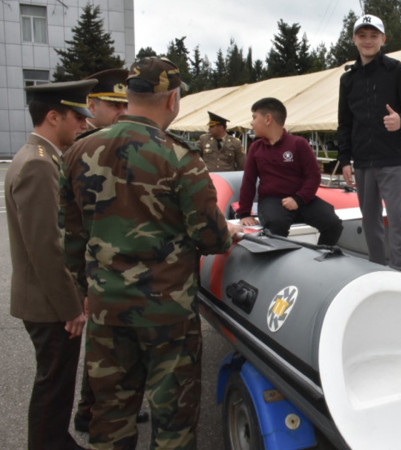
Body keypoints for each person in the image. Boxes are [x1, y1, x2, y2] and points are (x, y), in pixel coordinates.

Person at [59, 56, 241, 449]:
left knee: (111, 417)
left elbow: (71, 239)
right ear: (173, 99)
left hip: (107, 310)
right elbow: (210, 238)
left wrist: (85, 289)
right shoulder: (180, 158)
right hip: (168, 315)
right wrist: (227, 232)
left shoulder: (78, 152)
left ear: (128, 94)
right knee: (173, 421)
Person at [6, 79, 96, 450]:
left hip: (48, 301)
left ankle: (54, 439)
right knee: (53, 386)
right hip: (49, 305)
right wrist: (71, 307)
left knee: (56, 385)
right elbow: (46, 248)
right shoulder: (38, 166)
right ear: (53, 116)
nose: (84, 125)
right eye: (77, 117)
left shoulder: (42, 158)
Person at [72, 68, 151, 433]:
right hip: (100, 283)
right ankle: (91, 409)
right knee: (103, 361)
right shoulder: (79, 153)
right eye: (112, 105)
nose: (121, 113)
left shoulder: (143, 148)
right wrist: (78, 289)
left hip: (135, 286)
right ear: (92, 106)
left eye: (125, 105)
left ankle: (105, 409)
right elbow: (69, 233)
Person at [337, 14, 401, 271]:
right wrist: (344, 159)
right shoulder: (347, 79)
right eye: (362, 35)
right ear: (354, 39)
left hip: (392, 160)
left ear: (383, 39)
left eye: (373, 35)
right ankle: (376, 269)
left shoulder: (396, 70)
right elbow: (345, 123)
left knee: (398, 218)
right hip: (363, 162)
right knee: (370, 221)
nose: (368, 40)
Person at [237, 97, 343, 245]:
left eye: (254, 118)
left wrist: (298, 199)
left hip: (302, 199)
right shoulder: (256, 148)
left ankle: (322, 255)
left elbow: (313, 176)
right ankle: (278, 261)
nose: (251, 123)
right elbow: (248, 181)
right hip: (272, 200)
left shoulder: (298, 144)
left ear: (268, 119)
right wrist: (244, 213)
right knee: (276, 225)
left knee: (333, 224)